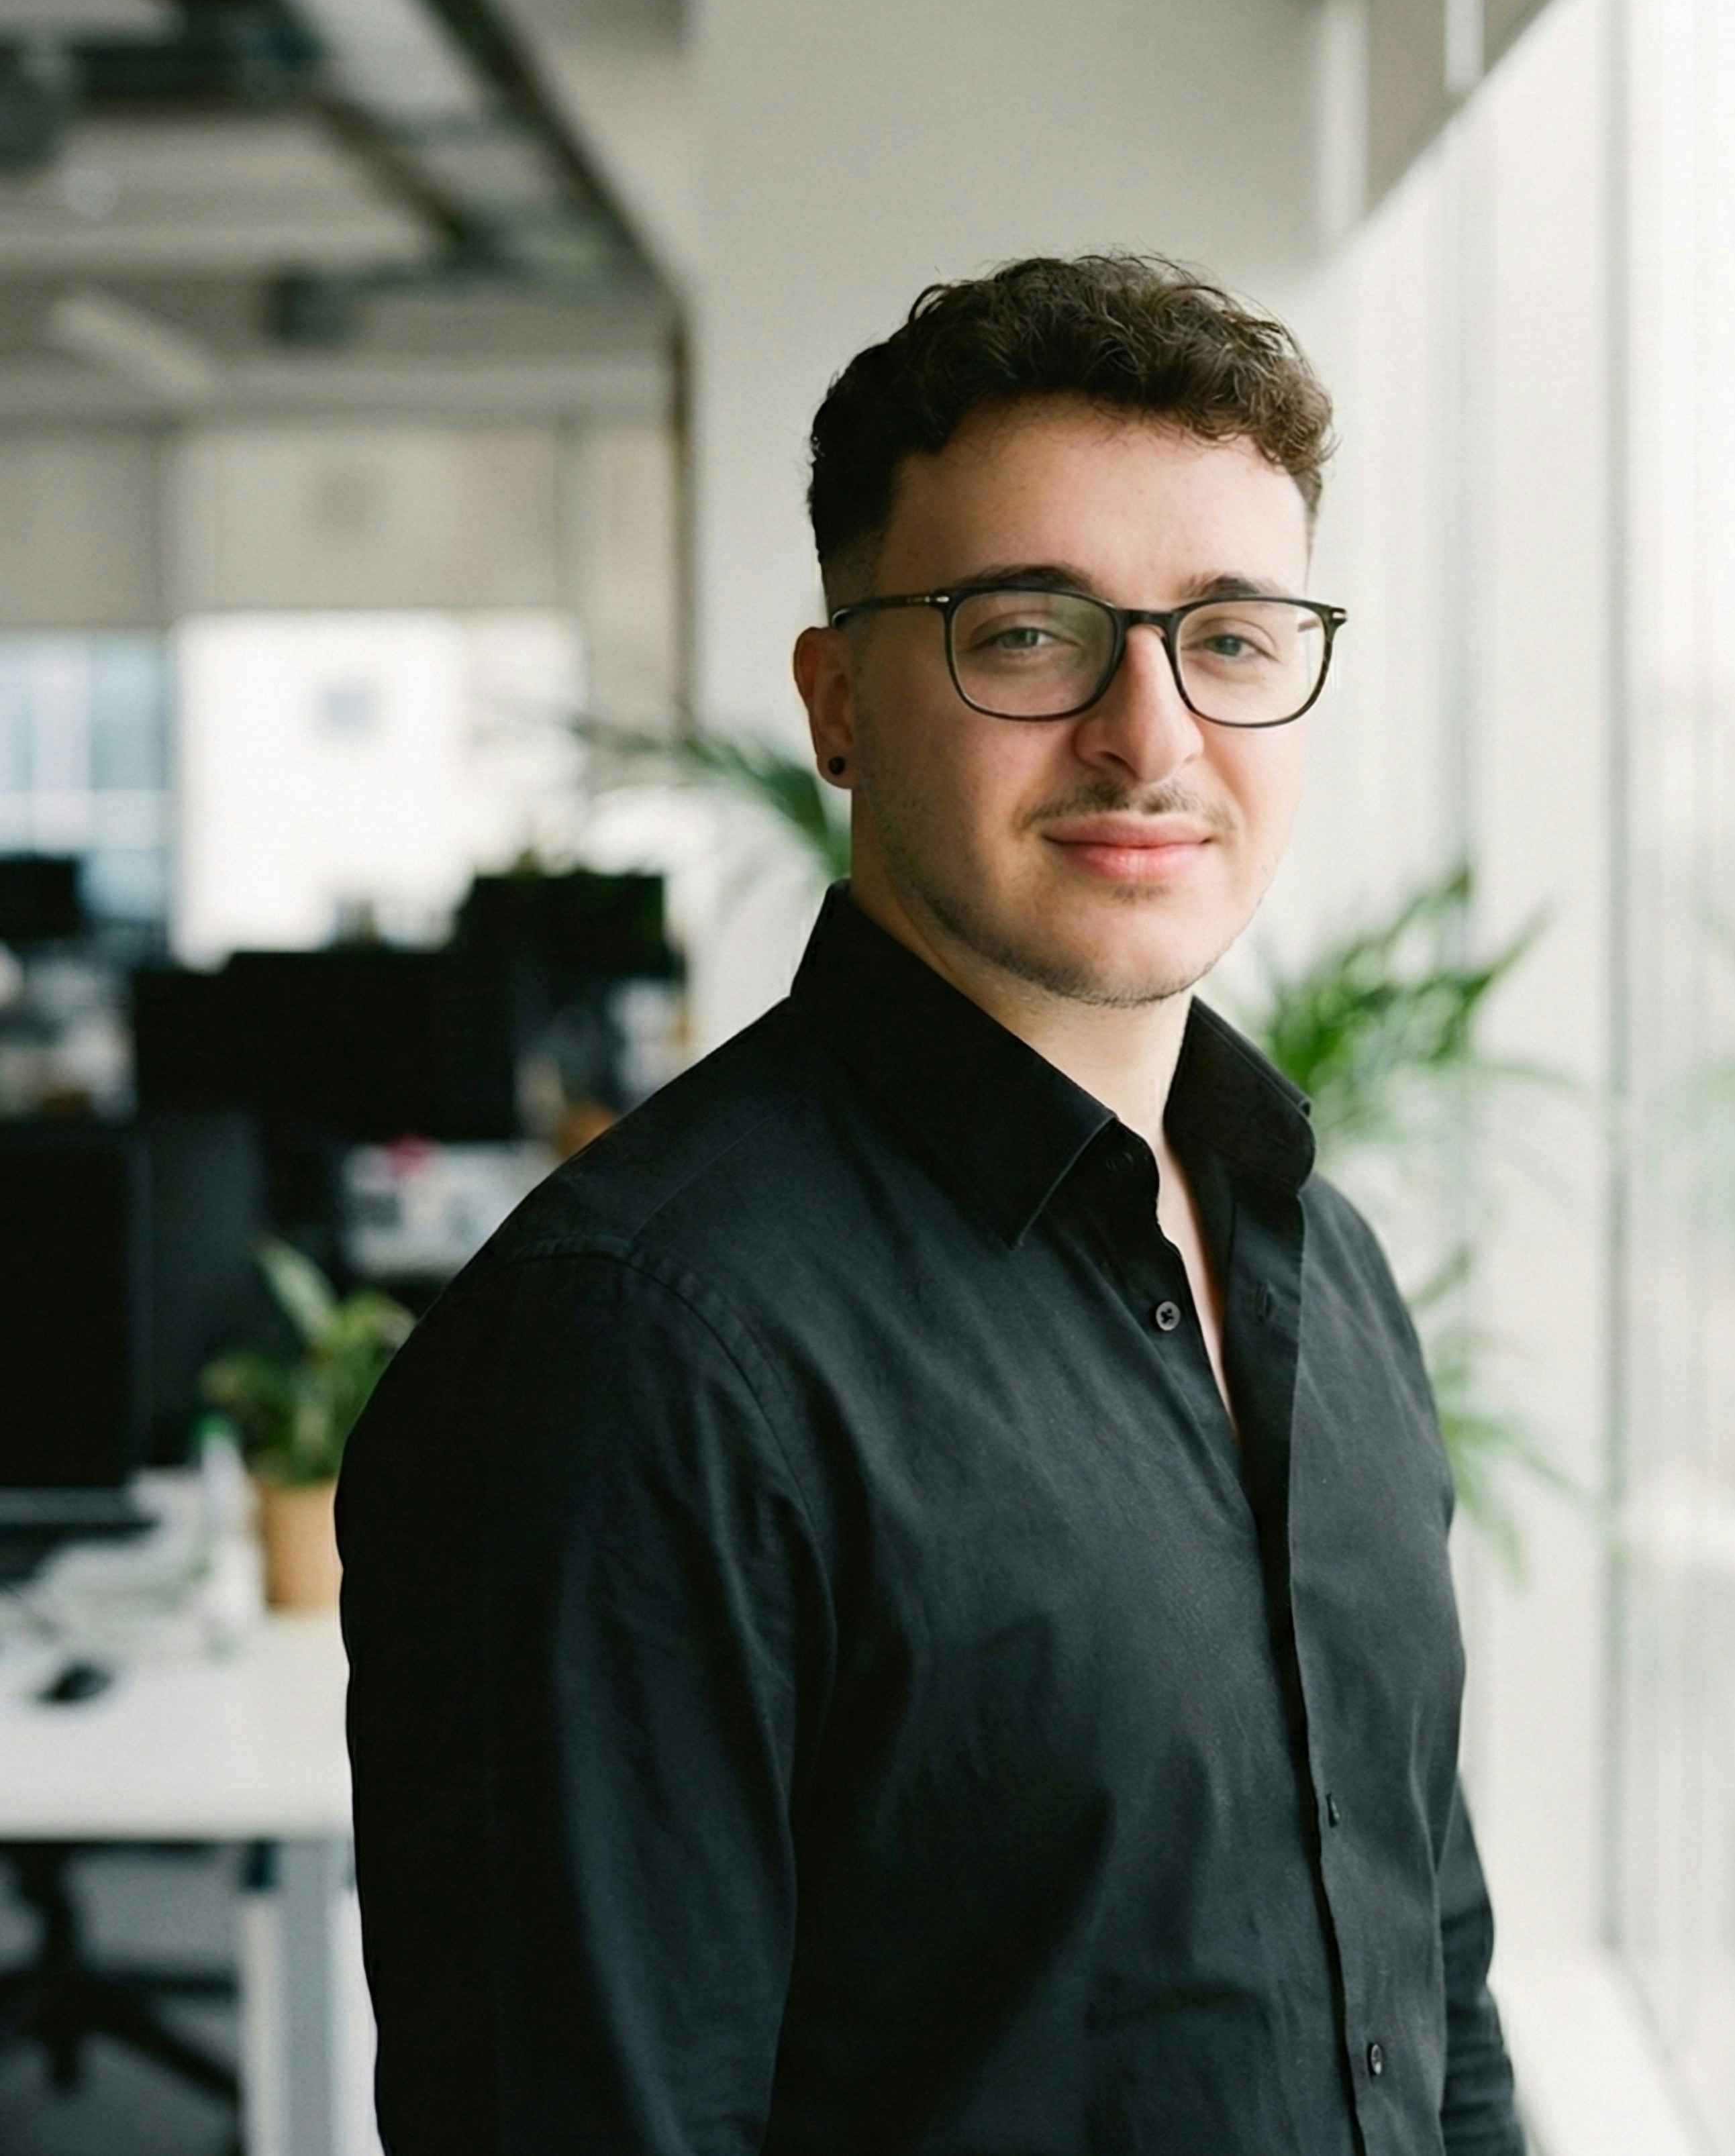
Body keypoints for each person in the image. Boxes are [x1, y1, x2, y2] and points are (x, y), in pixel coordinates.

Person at [341, 254, 1524, 2156]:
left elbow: (1428, 1981)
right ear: (836, 700)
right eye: (1032, 632)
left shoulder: (1324, 1260)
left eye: (1227, 638)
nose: (1149, 738)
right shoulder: (630, 1359)